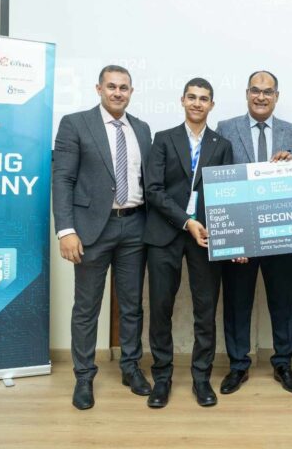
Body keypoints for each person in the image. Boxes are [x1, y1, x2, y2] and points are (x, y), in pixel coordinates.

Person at [52, 65, 152, 410]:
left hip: (135, 227)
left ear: (131, 92)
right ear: (99, 89)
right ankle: (83, 376)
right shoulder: (75, 124)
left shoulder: (142, 129)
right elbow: (62, 179)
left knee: (132, 305)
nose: (117, 93)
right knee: (87, 307)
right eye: (111, 86)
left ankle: (131, 368)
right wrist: (66, 230)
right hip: (92, 229)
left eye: (123, 87)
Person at [143, 78, 233, 408]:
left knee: (205, 310)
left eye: (203, 98)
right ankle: (162, 379)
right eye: (192, 97)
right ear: (182, 100)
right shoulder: (163, 138)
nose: (197, 103)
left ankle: (201, 379)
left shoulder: (222, 145)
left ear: (212, 105)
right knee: (160, 309)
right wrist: (186, 221)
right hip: (165, 234)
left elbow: (226, 194)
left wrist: (231, 238)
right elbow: (153, 190)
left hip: (206, 237)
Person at [216, 70, 292, 394]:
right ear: (246, 93)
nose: (261, 96)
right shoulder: (226, 128)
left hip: (281, 232)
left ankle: (283, 364)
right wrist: (232, 239)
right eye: (255, 90)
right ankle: (238, 366)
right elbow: (219, 181)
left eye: (268, 92)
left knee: (284, 302)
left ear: (276, 97)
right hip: (240, 233)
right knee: (237, 302)